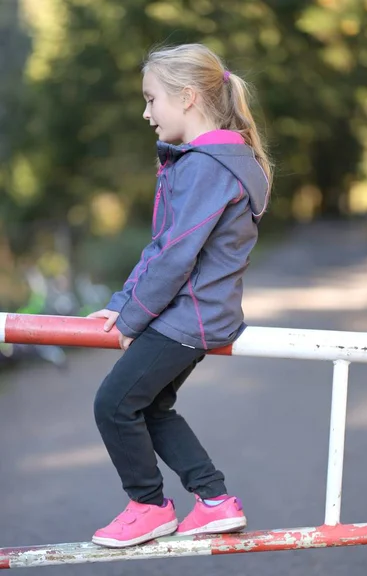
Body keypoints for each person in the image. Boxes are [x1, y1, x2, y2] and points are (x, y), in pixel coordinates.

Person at [88, 43, 272, 548]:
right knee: (151, 406)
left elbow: (174, 255)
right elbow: (163, 245)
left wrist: (132, 319)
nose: (145, 112)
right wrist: (124, 300)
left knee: (113, 404)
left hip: (185, 317)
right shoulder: (222, 159)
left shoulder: (207, 164)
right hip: (199, 315)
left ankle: (148, 506)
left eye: (152, 100)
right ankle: (214, 501)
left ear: (188, 97)